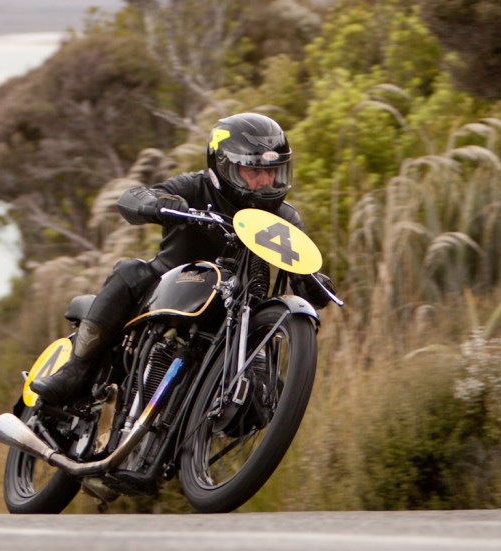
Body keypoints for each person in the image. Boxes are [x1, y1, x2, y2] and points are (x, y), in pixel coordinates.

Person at [32, 112, 334, 405]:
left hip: (235, 316)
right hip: (167, 288)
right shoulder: (194, 187)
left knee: (267, 398)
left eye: (272, 171)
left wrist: (310, 280)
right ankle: (75, 370)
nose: (265, 182)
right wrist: (157, 203)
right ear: (224, 165)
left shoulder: (285, 218)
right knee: (128, 271)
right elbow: (134, 198)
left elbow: (304, 271)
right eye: (254, 171)